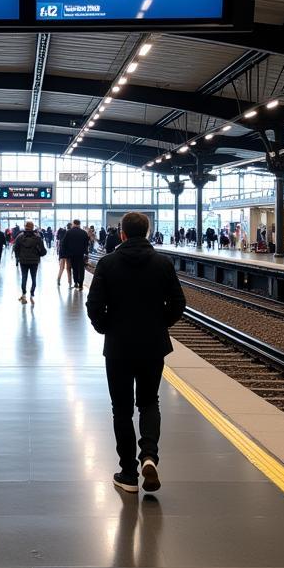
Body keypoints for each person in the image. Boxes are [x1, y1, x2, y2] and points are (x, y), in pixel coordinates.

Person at [86, 211, 187, 494]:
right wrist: (160, 323)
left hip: (118, 346)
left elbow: (94, 305)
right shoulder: (163, 263)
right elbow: (179, 303)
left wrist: (106, 327)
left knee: (121, 409)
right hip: (153, 344)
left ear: (121, 233)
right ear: (148, 231)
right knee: (148, 402)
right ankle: (149, 456)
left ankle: (129, 473)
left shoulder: (107, 263)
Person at [13, 220, 47, 303]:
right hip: (34, 261)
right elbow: (43, 251)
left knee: (24, 277)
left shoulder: (20, 237)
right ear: (32, 227)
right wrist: (39, 254)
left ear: (25, 227)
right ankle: (32, 295)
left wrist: (19, 257)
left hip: (23, 261)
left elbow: (15, 248)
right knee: (33, 278)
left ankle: (24, 295)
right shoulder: (37, 237)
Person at [62, 218, 90, 290]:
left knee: (74, 268)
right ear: (79, 224)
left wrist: (65, 253)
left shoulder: (69, 232)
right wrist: (86, 254)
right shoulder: (84, 233)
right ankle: (81, 284)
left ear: (73, 223)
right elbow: (87, 244)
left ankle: (75, 283)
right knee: (81, 269)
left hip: (72, 254)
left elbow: (64, 243)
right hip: (81, 254)